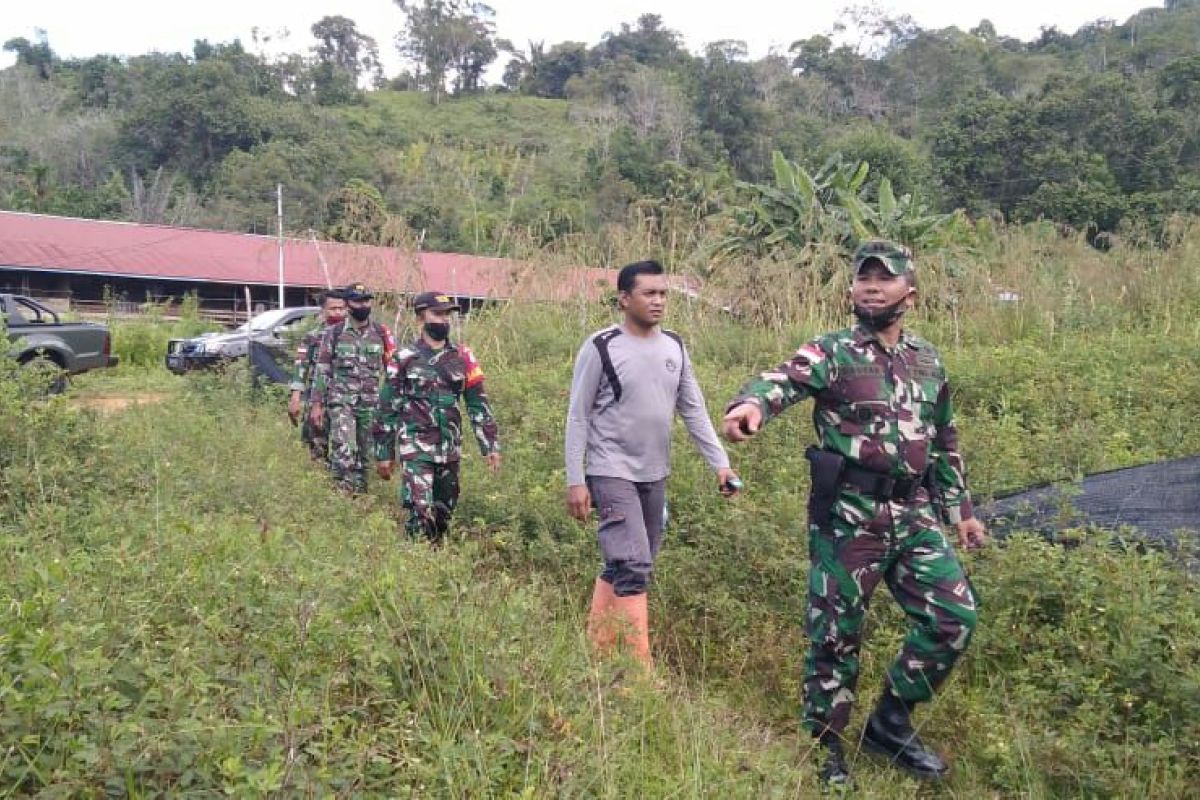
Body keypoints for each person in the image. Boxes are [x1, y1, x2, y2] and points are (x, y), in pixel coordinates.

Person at [721, 240, 986, 787]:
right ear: (850, 291)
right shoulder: (833, 351)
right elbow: (782, 381)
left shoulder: (928, 359)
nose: (871, 286)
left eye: (884, 279)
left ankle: (889, 724)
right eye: (863, 278)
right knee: (835, 634)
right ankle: (825, 745)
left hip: (914, 515)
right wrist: (749, 406)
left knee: (952, 619)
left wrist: (959, 510)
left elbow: (944, 438)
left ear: (909, 293)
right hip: (848, 516)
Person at [565, 259, 740, 670]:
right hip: (610, 470)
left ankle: (599, 648)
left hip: (654, 472)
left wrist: (721, 464)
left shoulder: (674, 347)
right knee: (634, 563)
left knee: (626, 563)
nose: (658, 301)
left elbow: (693, 410)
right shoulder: (602, 346)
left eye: (663, 293)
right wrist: (576, 479)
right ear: (624, 299)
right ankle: (638, 671)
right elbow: (578, 415)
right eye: (649, 293)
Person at [373, 291, 501, 542]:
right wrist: (383, 452)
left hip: (449, 448)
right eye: (437, 314)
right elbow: (387, 407)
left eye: (447, 315)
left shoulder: (463, 357)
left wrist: (490, 445)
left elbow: (478, 404)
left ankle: (436, 558)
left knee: (443, 512)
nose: (443, 321)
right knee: (419, 510)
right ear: (421, 318)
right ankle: (416, 563)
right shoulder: (403, 358)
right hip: (415, 447)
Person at [310, 283, 396, 493]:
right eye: (358, 301)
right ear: (348, 304)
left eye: (366, 300)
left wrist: (394, 404)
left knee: (366, 455)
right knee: (344, 449)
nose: (363, 305)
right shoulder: (335, 333)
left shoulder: (381, 333)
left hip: (371, 404)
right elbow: (322, 369)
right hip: (342, 403)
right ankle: (342, 495)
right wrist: (317, 404)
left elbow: (393, 370)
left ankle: (360, 496)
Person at [289, 289, 346, 460]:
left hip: (346, 400)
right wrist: (295, 397)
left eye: (342, 308)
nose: (338, 312)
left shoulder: (353, 336)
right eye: (333, 308)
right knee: (317, 446)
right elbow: (301, 366)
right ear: (322, 310)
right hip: (319, 398)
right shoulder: (313, 337)